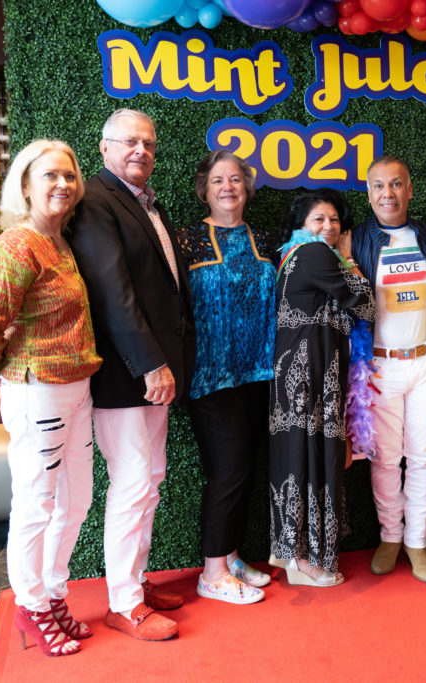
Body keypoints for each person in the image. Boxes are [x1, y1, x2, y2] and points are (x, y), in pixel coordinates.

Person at [0, 139, 100, 657]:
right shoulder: (14, 247)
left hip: (76, 389)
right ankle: (30, 604)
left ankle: (52, 593)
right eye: (49, 175)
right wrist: (0, 372)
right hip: (37, 390)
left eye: (69, 175)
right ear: (24, 186)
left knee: (76, 499)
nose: (63, 184)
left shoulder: (60, 242)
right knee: (36, 503)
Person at [67, 109, 195, 641]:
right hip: (127, 376)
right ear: (104, 148)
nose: (141, 150)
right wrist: (150, 364)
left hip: (154, 374)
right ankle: (123, 603)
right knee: (133, 480)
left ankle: (135, 584)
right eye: (129, 142)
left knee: (152, 479)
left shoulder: (145, 201)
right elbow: (112, 293)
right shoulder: (96, 201)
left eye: (148, 143)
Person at [175, 149, 275, 605]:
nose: (228, 187)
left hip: (259, 373)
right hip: (211, 377)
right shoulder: (187, 240)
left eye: (235, 179)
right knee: (228, 469)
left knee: (244, 468)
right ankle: (212, 572)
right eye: (218, 180)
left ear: (247, 188)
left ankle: (231, 557)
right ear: (205, 189)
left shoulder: (265, 240)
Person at [268, 189, 375, 587]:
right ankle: (301, 558)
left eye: (335, 220)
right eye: (319, 219)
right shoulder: (315, 253)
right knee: (307, 459)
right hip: (308, 375)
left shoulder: (294, 257)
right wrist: (347, 257)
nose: (329, 226)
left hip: (303, 373)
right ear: (302, 226)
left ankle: (294, 551)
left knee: (302, 457)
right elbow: (366, 304)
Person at [350, 155, 426, 583]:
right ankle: (390, 536)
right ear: (368, 193)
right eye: (378, 186)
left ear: (409, 189)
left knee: (424, 457)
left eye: (396, 184)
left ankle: (417, 541)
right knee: (386, 459)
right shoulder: (356, 240)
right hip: (381, 366)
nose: (387, 193)